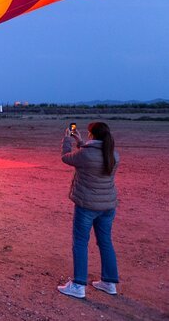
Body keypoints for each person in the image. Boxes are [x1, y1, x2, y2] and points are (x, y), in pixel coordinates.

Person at [57, 122, 120, 299]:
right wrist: (82, 142)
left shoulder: (86, 154)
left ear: (92, 135)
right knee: (105, 242)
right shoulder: (113, 154)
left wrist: (67, 139)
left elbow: (67, 157)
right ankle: (109, 282)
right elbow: (91, 156)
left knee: (80, 242)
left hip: (87, 206)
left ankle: (78, 285)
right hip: (108, 206)